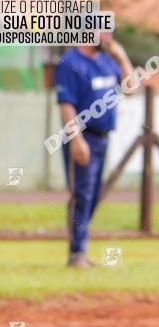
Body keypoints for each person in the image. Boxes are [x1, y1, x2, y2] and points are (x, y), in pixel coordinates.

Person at [54, 32, 133, 268]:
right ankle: (77, 253)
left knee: (94, 194)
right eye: (103, 30)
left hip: (103, 137)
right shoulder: (70, 63)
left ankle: (79, 244)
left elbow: (129, 88)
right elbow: (66, 103)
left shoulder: (107, 59)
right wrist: (76, 140)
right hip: (82, 136)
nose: (108, 35)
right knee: (84, 194)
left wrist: (122, 58)